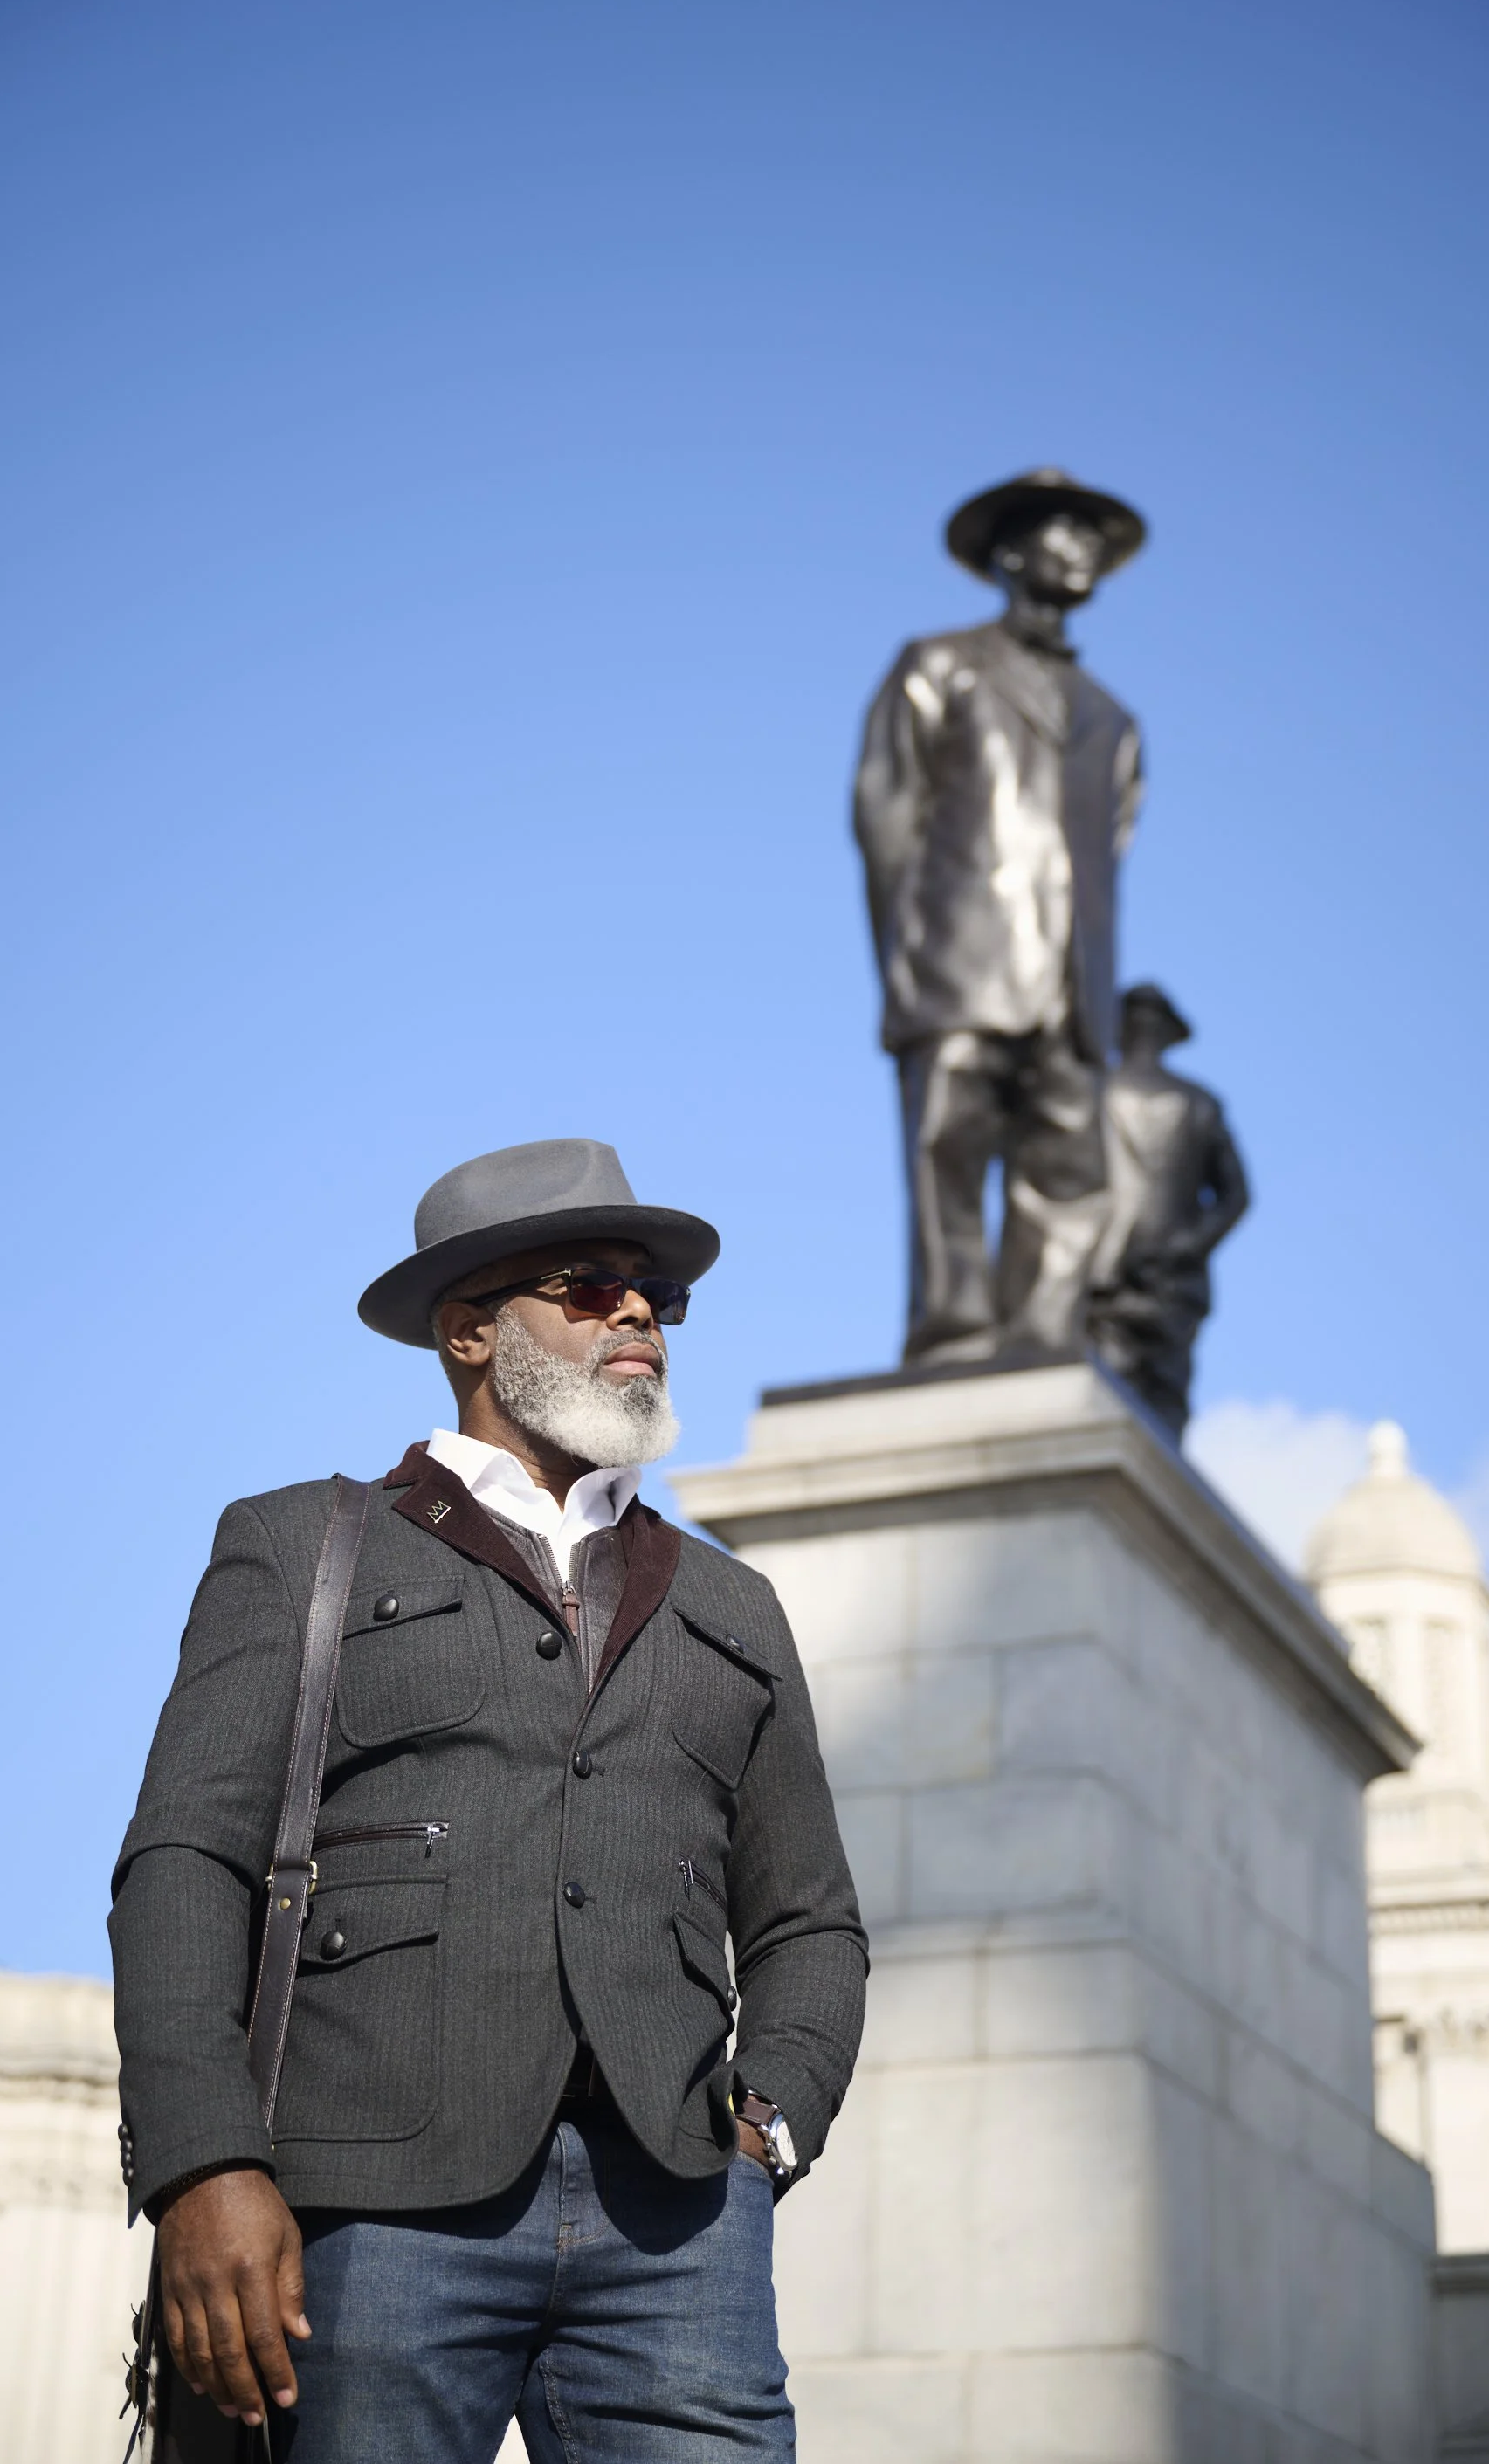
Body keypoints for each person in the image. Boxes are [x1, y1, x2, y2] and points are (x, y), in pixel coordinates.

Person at [110, 1138, 867, 2461]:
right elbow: (183, 1863)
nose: (638, 1316)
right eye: (590, 1286)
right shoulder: (300, 1547)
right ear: (470, 1331)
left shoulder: (734, 1603)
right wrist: (204, 2165)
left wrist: (766, 2128)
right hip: (369, 2209)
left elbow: (810, 1921)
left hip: (681, 2229)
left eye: (657, 1296)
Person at [853, 468, 1147, 1366]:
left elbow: (1112, 843)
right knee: (946, 1144)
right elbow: (886, 818)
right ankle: (950, 1332)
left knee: (1069, 1167)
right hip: (959, 961)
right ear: (1012, 554)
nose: (1083, 549)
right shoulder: (938, 664)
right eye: (1064, 530)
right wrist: (910, 956)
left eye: (1093, 537)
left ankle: (1045, 1344)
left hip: (1073, 984)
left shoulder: (1113, 719)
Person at [1087, 986, 1251, 1438]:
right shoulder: (1200, 1104)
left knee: (1104, 1396)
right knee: (1161, 1403)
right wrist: (1188, 1247)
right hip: (1165, 1282)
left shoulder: (1092, 1091)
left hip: (1106, 1273)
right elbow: (1236, 1197)